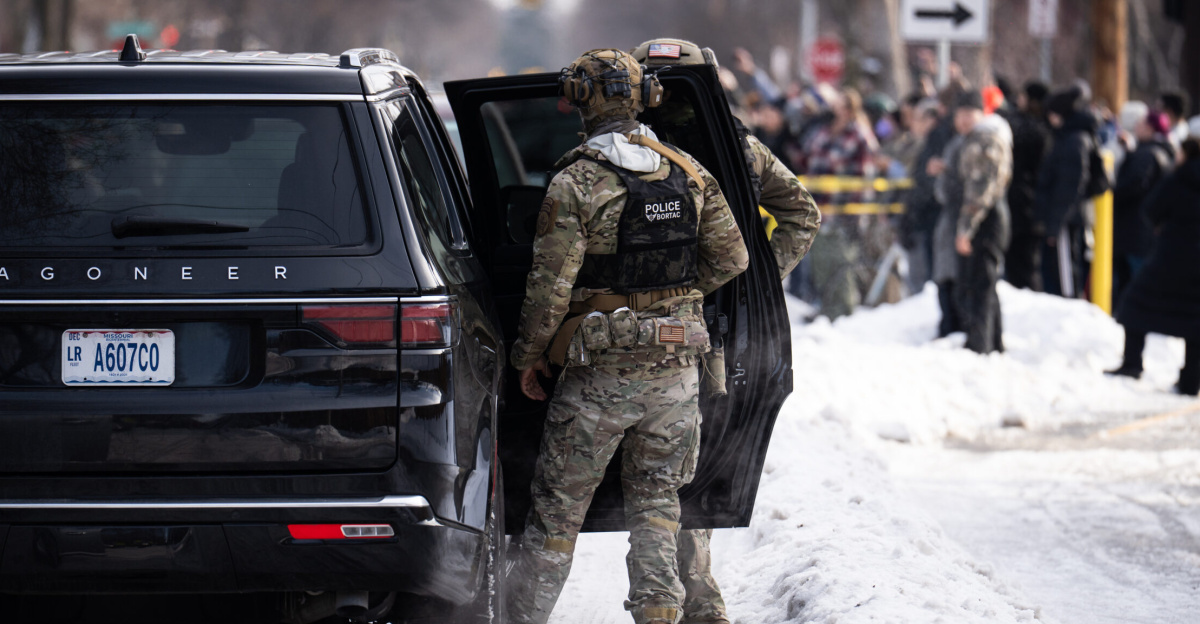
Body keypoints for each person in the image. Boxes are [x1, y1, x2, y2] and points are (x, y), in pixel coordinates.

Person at [505, 48, 749, 624]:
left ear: (579, 101)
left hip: (599, 376)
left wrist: (529, 356)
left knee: (556, 515)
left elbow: (549, 289)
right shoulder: (689, 172)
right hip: (677, 371)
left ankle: (519, 617)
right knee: (659, 506)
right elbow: (734, 257)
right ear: (646, 97)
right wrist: (677, 297)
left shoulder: (577, 182)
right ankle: (661, 612)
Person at [632, 37, 822, 624]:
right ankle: (693, 601)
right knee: (682, 467)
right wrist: (753, 283)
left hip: (626, 328)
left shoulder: (625, 150)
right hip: (709, 327)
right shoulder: (740, 149)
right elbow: (803, 215)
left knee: (648, 469)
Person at [1106, 136, 1200, 395]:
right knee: (1195, 319)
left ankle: (1132, 363)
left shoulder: (1178, 179)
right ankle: (1191, 379)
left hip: (1171, 255)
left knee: (1136, 304)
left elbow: (1150, 209)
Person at [796, 87, 878, 319]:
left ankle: (844, 312)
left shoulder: (859, 135)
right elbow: (808, 157)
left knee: (840, 264)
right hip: (819, 210)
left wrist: (855, 215)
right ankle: (827, 308)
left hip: (843, 212)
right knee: (821, 263)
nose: (835, 109)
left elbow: (864, 179)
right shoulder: (824, 131)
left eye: (840, 105)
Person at [949, 90, 1013, 354]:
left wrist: (966, 229)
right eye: (959, 114)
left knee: (979, 283)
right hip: (989, 215)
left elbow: (979, 190)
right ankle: (993, 342)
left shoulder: (984, 139)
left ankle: (980, 344)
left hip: (986, 218)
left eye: (969, 114)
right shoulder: (981, 136)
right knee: (984, 281)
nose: (963, 120)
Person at [1035, 85, 1096, 298]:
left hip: (1065, 220)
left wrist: (1054, 225)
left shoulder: (1073, 142)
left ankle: (1069, 315)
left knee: (1065, 279)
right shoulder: (1070, 138)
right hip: (1064, 218)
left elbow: (1069, 188)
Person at [1111, 110, 1175, 302]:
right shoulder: (1162, 151)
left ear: (1149, 128)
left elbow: (1134, 184)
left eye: (1140, 124)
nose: (1135, 127)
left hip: (1133, 229)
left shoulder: (1147, 154)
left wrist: (1110, 194)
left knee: (1132, 281)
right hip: (1143, 229)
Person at [1003, 80, 1051, 291]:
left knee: (1022, 266)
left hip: (1025, 205)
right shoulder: (1045, 128)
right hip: (1028, 204)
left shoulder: (1034, 131)